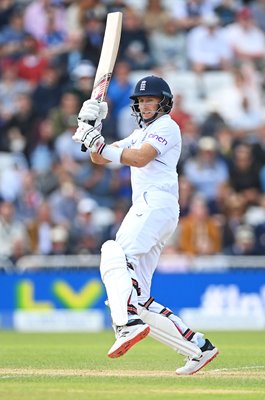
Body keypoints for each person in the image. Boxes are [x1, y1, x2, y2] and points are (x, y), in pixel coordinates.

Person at [72, 75, 219, 375]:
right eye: (141, 100)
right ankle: (198, 347)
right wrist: (89, 129)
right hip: (150, 209)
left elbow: (139, 159)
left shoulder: (167, 127)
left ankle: (125, 324)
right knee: (138, 298)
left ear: (163, 102)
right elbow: (102, 158)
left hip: (156, 205)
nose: (145, 104)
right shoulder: (138, 133)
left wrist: (97, 142)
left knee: (113, 254)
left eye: (151, 99)